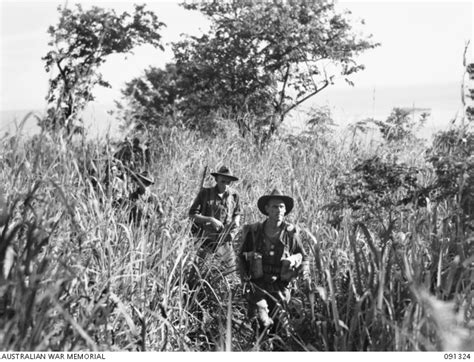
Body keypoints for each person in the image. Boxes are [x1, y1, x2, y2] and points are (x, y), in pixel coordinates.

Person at [237, 189, 310, 337]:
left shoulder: (290, 233)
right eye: (275, 207)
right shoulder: (255, 231)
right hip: (258, 285)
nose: (279, 210)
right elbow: (241, 256)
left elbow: (304, 257)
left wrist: (304, 274)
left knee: (280, 329)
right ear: (267, 209)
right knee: (261, 321)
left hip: (281, 288)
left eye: (281, 207)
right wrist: (244, 280)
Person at [188, 165, 241, 276]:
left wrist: (236, 221)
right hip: (206, 240)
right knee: (201, 273)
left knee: (230, 272)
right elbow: (192, 215)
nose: (225, 184)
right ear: (216, 179)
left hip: (225, 241)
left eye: (228, 182)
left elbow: (237, 213)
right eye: (223, 181)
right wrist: (211, 219)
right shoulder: (205, 193)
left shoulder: (234, 195)